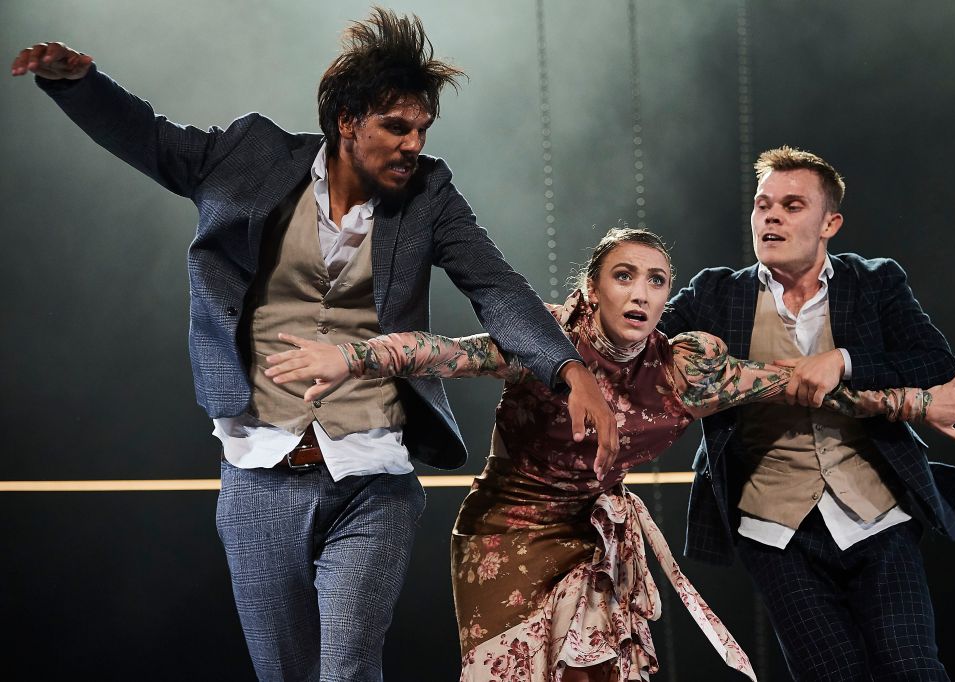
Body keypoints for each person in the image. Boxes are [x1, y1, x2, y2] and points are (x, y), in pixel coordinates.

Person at [10, 10, 619, 681]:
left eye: (422, 129)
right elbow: (152, 140)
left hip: (372, 478)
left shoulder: (430, 196)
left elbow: (496, 286)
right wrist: (79, 85)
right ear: (348, 121)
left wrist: (568, 369)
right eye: (397, 126)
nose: (414, 143)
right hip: (258, 475)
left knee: (348, 671)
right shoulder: (251, 157)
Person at [262, 226, 955, 682]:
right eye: (625, 275)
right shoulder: (545, 340)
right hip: (506, 536)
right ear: (592, 288)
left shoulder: (686, 369)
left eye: (656, 280)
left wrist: (917, 403)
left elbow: (806, 388)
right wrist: (350, 357)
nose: (642, 293)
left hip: (596, 536)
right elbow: (443, 353)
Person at [659, 146, 955, 680]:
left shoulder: (874, 281)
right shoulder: (716, 292)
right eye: (763, 205)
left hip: (879, 517)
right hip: (774, 530)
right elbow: (642, 350)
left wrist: (844, 360)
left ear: (830, 223)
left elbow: (934, 362)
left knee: (912, 668)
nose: (772, 218)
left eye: (792, 206)